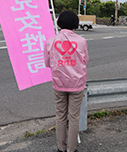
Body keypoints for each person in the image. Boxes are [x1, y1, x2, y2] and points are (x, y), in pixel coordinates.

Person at [44, 10, 89, 152]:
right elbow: (85, 60)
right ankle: (71, 149)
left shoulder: (51, 41)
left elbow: (47, 63)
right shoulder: (81, 41)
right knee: (74, 118)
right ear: (75, 24)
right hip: (77, 84)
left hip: (59, 83)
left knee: (60, 116)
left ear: (59, 23)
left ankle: (61, 148)